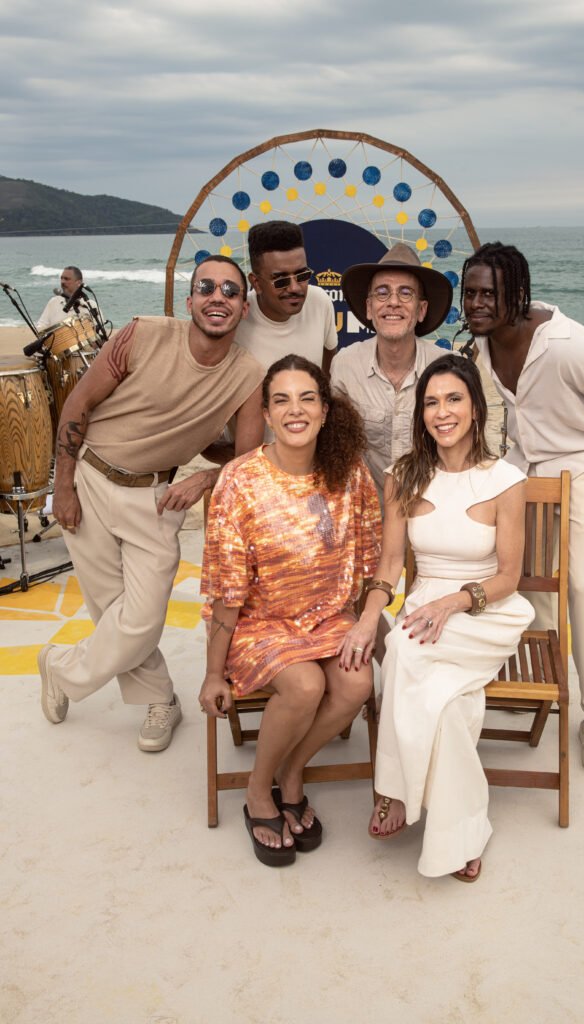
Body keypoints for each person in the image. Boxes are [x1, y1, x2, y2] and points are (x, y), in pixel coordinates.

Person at [38, 255, 265, 752]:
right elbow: (78, 405)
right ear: (190, 300)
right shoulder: (142, 334)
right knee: (112, 614)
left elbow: (248, 461)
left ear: (244, 308)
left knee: (140, 619)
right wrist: (64, 486)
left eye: (230, 291)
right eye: (207, 287)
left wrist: (205, 477)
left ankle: (60, 667)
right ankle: (161, 698)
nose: (218, 297)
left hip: (158, 497)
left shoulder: (249, 376)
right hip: (91, 479)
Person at [339, 354, 534, 880]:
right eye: (431, 402)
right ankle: (461, 831)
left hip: (485, 608)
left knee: (404, 655)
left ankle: (393, 789)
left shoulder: (505, 480)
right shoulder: (403, 476)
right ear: (421, 414)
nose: (442, 412)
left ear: (475, 408)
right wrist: (368, 618)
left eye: (453, 399)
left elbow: (509, 577)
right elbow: (390, 564)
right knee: (445, 704)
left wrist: (455, 602)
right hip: (425, 606)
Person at [460, 242, 584, 772]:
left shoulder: (570, 347)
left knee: (582, 583)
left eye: (488, 294)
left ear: (518, 294)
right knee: (530, 579)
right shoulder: (484, 343)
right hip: (531, 468)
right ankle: (543, 682)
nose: (476, 303)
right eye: (469, 293)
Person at [199, 354, 381, 867]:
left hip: (328, 616)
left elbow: (371, 560)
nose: (295, 410)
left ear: (325, 410)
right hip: (259, 623)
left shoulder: (350, 473)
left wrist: (366, 622)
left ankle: (292, 770)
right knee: (305, 685)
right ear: (267, 414)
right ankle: (260, 791)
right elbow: (227, 589)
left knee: (356, 683)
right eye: (281, 400)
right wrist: (213, 673)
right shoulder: (240, 480)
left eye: (307, 399)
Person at [331, 242, 452, 499]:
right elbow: (336, 447)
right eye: (382, 293)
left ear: (421, 310)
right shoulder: (345, 365)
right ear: (369, 307)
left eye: (406, 293)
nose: (393, 302)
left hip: (432, 508)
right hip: (368, 511)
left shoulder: (448, 369)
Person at [237, 221, 337, 374]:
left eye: (302, 275)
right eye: (281, 280)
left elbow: (329, 365)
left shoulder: (319, 301)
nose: (294, 288)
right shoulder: (237, 320)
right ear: (256, 283)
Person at [36, 266, 85, 331]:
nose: (62, 282)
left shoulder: (89, 305)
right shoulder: (54, 302)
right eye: (61, 278)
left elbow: (98, 331)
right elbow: (41, 325)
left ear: (79, 283)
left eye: (66, 279)